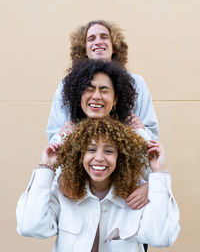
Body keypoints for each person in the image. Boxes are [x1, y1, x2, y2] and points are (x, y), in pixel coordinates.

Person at [16, 117, 180, 252]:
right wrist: (47, 167)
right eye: (91, 149)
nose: (99, 158)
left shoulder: (138, 194)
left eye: (109, 151)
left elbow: (161, 238)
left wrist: (157, 173)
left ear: (120, 157)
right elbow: (30, 227)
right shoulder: (63, 190)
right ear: (80, 155)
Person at [46, 20, 158, 144]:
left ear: (114, 46)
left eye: (104, 37)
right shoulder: (67, 85)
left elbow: (153, 141)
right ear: (84, 50)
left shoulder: (137, 83)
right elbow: (53, 141)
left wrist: (142, 130)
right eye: (91, 39)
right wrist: (63, 135)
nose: (98, 42)